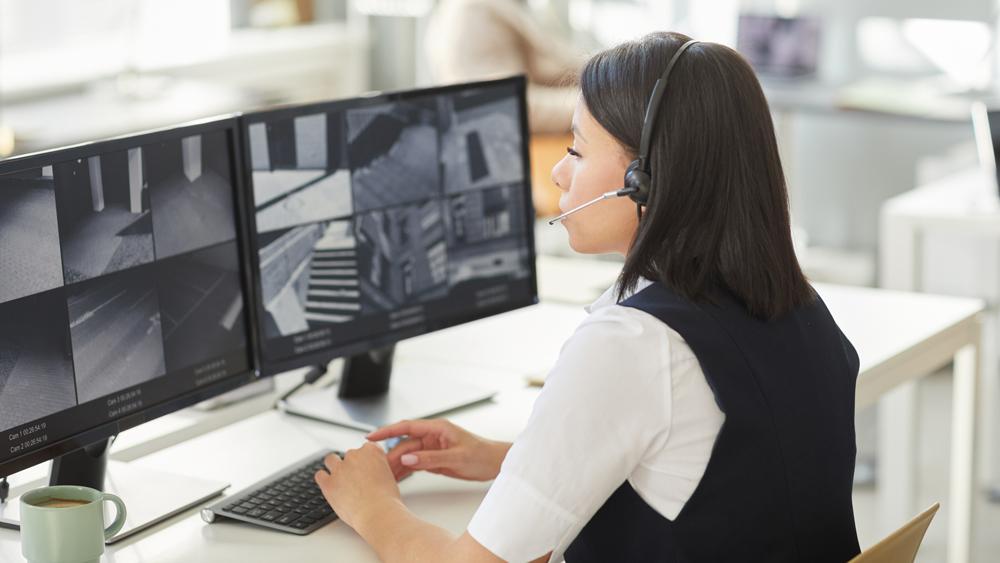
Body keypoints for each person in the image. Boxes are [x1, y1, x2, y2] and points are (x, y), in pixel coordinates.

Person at [314, 31, 861, 562]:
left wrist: (374, 506)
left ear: (642, 179)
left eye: (576, 149)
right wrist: (507, 461)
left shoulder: (634, 344)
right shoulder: (799, 307)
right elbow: (716, 476)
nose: (557, 171)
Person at [424, 0, 583, 134]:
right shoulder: (473, 11)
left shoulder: (510, 6)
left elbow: (556, 63)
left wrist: (601, 72)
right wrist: (595, 103)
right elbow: (503, 104)